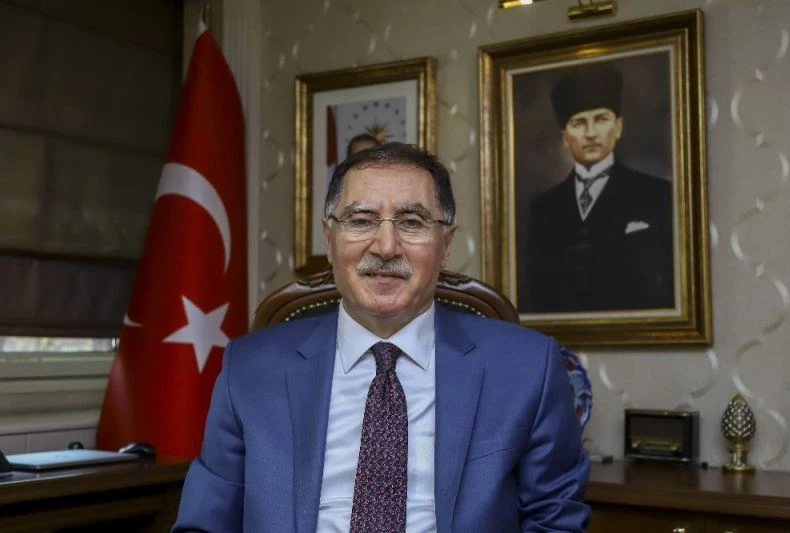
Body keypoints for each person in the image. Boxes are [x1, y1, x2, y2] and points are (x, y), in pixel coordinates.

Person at [173, 142, 590, 532]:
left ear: (445, 245)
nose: (386, 246)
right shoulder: (249, 370)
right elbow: (203, 525)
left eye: (412, 222)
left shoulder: (527, 368)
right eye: (361, 221)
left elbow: (556, 523)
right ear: (329, 239)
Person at [521, 65, 674, 313]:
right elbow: (537, 292)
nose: (591, 133)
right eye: (579, 123)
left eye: (601, 119)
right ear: (565, 136)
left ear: (618, 127)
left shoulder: (657, 194)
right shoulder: (544, 208)